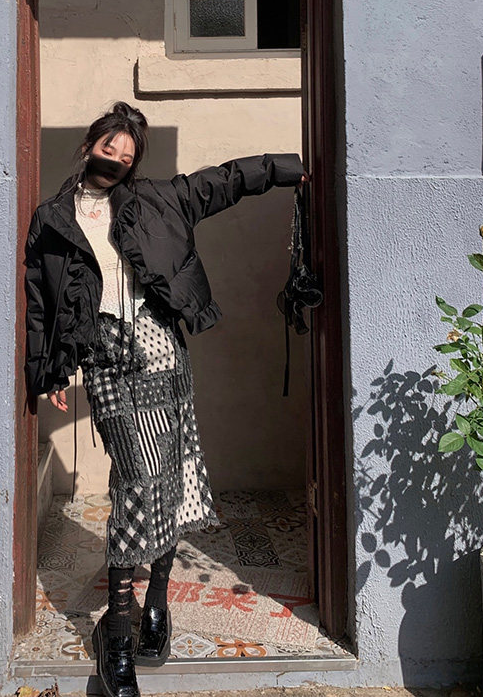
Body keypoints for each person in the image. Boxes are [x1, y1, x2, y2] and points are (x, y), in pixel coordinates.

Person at [24, 101, 307, 697]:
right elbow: (41, 301)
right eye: (109, 147)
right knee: (136, 480)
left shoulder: (158, 199)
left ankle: (156, 599)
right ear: (88, 145)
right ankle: (117, 629)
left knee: (171, 474)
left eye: (127, 155)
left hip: (163, 355)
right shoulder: (51, 218)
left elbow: (225, 181)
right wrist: (49, 372)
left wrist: (290, 169)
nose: (116, 159)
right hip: (105, 359)